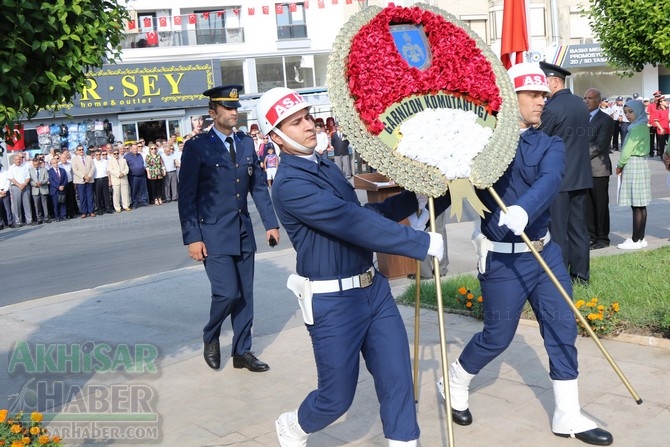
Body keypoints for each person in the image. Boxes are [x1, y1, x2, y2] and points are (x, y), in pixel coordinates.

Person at [257, 87, 444, 447]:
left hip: (373, 291)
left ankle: (404, 441)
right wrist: (419, 243)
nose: (308, 126)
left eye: (308, 117)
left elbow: (364, 214)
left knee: (397, 377)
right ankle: (295, 425)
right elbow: (349, 221)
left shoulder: (324, 165)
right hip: (333, 304)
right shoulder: (290, 184)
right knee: (335, 398)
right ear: (275, 137)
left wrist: (413, 198)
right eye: (295, 123)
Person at [440, 63, 613, 446]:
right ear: (509, 97)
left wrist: (525, 208)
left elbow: (551, 179)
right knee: (498, 336)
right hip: (503, 258)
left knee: (562, 328)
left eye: (544, 94)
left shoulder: (548, 142)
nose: (542, 101)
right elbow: (450, 183)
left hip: (543, 252)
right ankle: (455, 379)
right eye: (533, 95)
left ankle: (567, 414)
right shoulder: (481, 146)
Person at [178, 84, 280, 372]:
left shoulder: (246, 143)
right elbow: (187, 197)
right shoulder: (197, 147)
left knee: (245, 295)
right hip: (212, 234)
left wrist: (270, 223)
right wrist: (193, 237)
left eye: (236, 108)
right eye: (228, 108)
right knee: (227, 293)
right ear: (213, 113)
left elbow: (258, 187)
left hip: (243, 232)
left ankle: (242, 352)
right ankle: (211, 335)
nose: (234, 112)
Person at [539, 61, 592, 284]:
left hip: (559, 179)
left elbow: (541, 140)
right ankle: (581, 275)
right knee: (579, 229)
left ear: (554, 81)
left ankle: (559, 277)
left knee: (558, 230)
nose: (542, 89)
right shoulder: (580, 104)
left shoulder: (551, 108)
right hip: (580, 176)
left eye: (544, 83)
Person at [615, 100, 651, 250]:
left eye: (631, 111)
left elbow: (626, 150)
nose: (628, 115)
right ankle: (640, 238)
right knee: (641, 205)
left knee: (636, 205)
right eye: (626, 112)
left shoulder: (635, 128)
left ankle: (635, 239)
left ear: (638, 111)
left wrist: (619, 165)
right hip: (642, 163)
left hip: (633, 163)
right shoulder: (643, 126)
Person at [583, 88, 615, 250]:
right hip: (584, 170)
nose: (586, 101)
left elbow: (600, 145)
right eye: (585, 98)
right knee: (587, 205)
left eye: (590, 98)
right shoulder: (581, 118)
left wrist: (578, 157)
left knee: (600, 205)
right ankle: (592, 236)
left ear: (598, 101)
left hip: (599, 170)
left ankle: (602, 238)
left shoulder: (605, 120)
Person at [8, 153, 34, 226]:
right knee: (17, 205)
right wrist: (19, 185)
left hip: (25, 186)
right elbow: (11, 178)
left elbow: (28, 177)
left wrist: (24, 184)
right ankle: (18, 221)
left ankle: (29, 220)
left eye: (19, 159)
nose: (18, 161)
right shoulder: (11, 168)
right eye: (17, 159)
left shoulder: (24, 167)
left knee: (27, 204)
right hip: (16, 187)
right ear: (14, 160)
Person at [72, 144, 96, 218]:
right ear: (77, 151)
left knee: (90, 196)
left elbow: (93, 168)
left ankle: (91, 211)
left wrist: (89, 176)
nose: (81, 151)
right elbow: (75, 170)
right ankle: (84, 212)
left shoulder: (89, 157)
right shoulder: (74, 159)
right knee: (82, 197)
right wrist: (83, 176)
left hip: (89, 179)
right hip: (80, 180)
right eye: (79, 150)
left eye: (82, 149)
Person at [124, 143, 149, 209]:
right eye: (134, 149)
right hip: (133, 176)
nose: (136, 150)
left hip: (142, 175)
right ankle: (135, 202)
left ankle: (143, 201)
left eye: (136, 149)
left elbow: (142, 163)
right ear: (131, 149)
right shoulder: (127, 156)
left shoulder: (139, 155)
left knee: (143, 189)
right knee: (134, 190)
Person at [108, 147, 132, 212]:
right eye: (114, 154)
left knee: (125, 193)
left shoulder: (123, 160)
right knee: (116, 194)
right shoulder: (110, 161)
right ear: (112, 154)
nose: (116, 155)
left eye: (117, 153)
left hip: (124, 178)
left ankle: (126, 205)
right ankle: (117, 207)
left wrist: (123, 173)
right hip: (116, 179)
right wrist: (118, 174)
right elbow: (111, 170)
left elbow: (127, 168)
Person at [29, 156, 51, 224]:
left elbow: (47, 178)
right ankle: (39, 218)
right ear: (33, 164)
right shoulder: (30, 170)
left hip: (43, 188)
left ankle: (46, 217)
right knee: (37, 205)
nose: (36, 166)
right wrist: (34, 184)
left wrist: (41, 182)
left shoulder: (44, 169)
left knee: (45, 204)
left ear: (39, 163)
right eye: (34, 165)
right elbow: (29, 180)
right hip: (35, 189)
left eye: (37, 164)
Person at [48, 157, 68, 221]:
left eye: (56, 162)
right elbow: (51, 181)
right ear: (51, 164)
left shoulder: (62, 170)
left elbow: (65, 179)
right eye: (54, 163)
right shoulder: (50, 171)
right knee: (56, 203)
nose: (56, 164)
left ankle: (63, 215)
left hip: (62, 189)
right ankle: (57, 216)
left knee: (63, 202)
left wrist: (63, 186)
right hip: (55, 190)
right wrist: (58, 187)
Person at [92, 149, 112, 214]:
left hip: (105, 178)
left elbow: (108, 171)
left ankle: (108, 208)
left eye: (99, 154)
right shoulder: (92, 162)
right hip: (97, 180)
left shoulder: (105, 161)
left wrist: (109, 180)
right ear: (94, 155)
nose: (98, 156)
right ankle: (99, 209)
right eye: (96, 155)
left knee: (106, 194)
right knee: (98, 195)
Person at [0, 162, 14, 229]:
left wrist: (5, 190)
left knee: (8, 208)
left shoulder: (5, 172)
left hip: (5, 191)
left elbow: (8, 182)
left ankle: (10, 222)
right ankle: (1, 224)